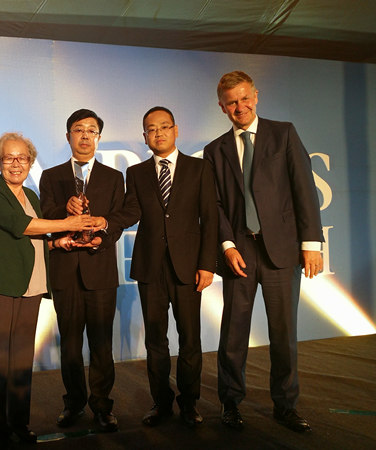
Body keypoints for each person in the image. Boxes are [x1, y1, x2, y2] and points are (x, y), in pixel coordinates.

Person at [203, 71, 324, 432]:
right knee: (233, 334)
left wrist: (311, 245)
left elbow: (304, 190)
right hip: (240, 253)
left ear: (255, 96)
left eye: (245, 98)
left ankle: (285, 406)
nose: (240, 107)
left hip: (282, 252)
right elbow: (215, 206)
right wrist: (227, 246)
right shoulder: (215, 150)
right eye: (231, 102)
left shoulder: (283, 133)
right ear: (222, 107)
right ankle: (230, 403)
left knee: (283, 335)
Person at [0, 132, 96, 449]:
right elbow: (22, 226)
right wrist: (69, 223)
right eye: (9, 158)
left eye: (22, 158)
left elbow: (36, 238)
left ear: (30, 162)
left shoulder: (31, 195)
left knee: (21, 362)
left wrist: (58, 242)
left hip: (31, 285)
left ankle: (19, 423)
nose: (16, 164)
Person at [102, 106, 218, 428]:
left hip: (188, 268)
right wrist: (104, 222)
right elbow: (131, 212)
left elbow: (210, 218)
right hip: (150, 267)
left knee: (190, 339)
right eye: (151, 129)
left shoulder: (199, 168)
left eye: (164, 127)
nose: (158, 133)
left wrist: (207, 264)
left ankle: (189, 403)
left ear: (175, 130)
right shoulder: (137, 173)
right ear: (145, 136)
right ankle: (161, 403)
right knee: (155, 340)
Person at [39, 109, 124, 432]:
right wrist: (65, 211)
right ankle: (73, 403)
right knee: (71, 345)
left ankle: (102, 406)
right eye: (78, 129)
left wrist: (103, 235)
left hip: (100, 270)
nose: (85, 135)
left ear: (98, 137)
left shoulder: (114, 177)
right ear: (68, 136)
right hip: (65, 271)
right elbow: (44, 214)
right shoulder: (51, 176)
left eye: (91, 130)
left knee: (102, 344)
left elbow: (118, 219)